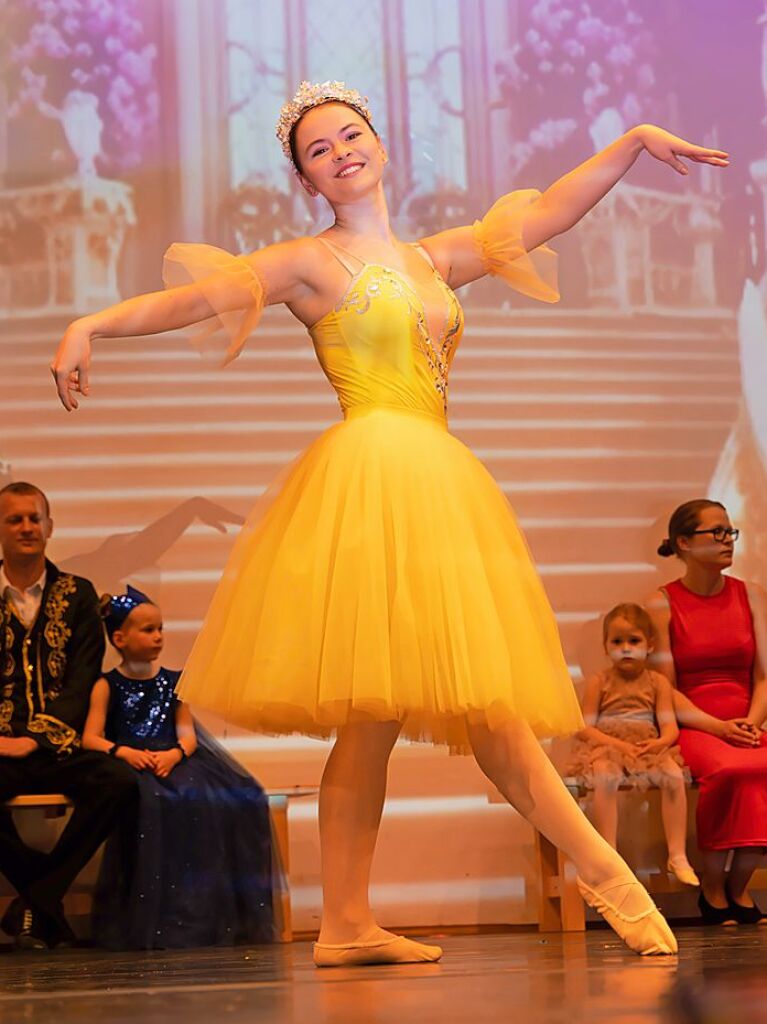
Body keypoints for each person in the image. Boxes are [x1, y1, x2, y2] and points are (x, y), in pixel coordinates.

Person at [51, 79, 729, 963]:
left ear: (380, 142)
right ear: (306, 179)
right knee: (451, 713)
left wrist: (633, 137)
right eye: (319, 150)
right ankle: (609, 886)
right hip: (371, 482)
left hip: (437, 483)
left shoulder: (435, 257)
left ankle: (347, 923)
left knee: (398, 720)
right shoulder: (309, 261)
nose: (341, 152)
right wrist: (91, 322)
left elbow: (547, 215)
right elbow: (198, 297)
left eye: (351, 134)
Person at [81, 586, 273, 949]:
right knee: (151, 803)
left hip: (173, 759)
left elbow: (188, 736)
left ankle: (202, 912)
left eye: (160, 628)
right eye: (148, 630)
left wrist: (174, 755)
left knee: (215, 798)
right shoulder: (107, 686)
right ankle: (161, 916)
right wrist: (123, 751)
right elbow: (91, 737)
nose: (158, 637)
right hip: (136, 763)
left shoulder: (174, 683)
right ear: (119, 638)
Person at [0, 481, 137, 950]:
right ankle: (45, 902)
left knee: (117, 782)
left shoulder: (78, 594)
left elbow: (82, 681)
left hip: (58, 747)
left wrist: (35, 739)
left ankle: (33, 903)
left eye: (34, 518)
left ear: (50, 526)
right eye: (14, 519)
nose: (26, 527)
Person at [647, 498, 767, 925]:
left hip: (746, 721)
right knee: (731, 770)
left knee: (762, 765)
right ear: (683, 542)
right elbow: (666, 687)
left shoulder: (750, 595)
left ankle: (738, 887)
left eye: (729, 532)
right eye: (715, 532)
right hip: (697, 722)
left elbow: (763, 677)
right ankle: (713, 889)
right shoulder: (662, 603)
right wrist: (720, 727)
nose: (726, 541)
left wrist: (751, 723)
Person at [568, 603, 698, 886]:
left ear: (650, 645)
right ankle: (608, 855)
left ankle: (677, 855)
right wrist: (617, 745)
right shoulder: (599, 682)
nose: (626, 648)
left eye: (634, 641)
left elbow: (669, 726)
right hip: (609, 746)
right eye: (617, 641)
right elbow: (583, 727)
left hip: (647, 746)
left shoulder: (658, 682)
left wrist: (660, 743)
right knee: (605, 776)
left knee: (675, 777)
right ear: (605, 647)